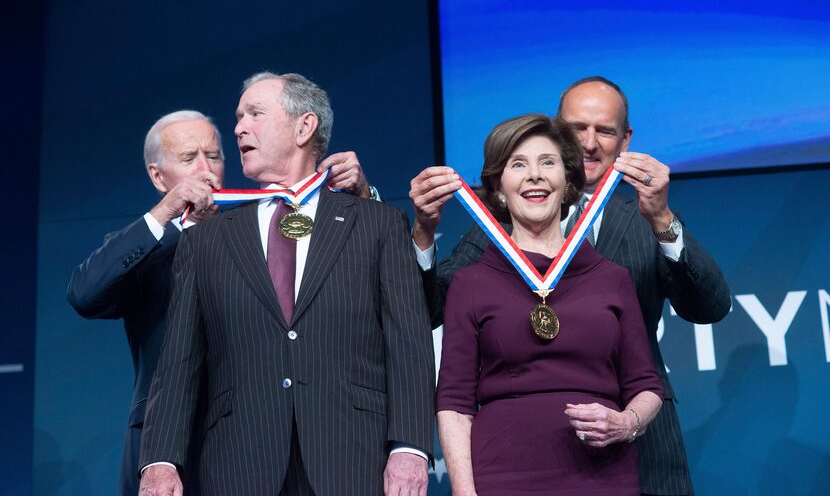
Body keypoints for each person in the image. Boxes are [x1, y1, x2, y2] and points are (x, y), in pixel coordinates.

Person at [411, 77, 732, 495]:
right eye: (578, 128)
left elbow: (710, 306)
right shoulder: (496, 233)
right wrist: (421, 235)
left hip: (640, 457)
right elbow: (429, 307)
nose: (590, 143)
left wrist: (663, 221)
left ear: (625, 139)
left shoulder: (643, 221)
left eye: (605, 131)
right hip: (513, 465)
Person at [138, 72, 435, 496]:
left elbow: (409, 346)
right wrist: (160, 461)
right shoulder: (206, 239)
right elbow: (178, 364)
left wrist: (409, 448)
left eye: (255, 113)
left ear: (304, 126)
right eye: (238, 117)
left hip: (353, 460)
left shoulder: (377, 223)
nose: (239, 127)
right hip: (239, 463)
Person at [66, 110, 374, 495]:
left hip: (254, 444)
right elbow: (84, 294)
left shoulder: (263, 229)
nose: (204, 168)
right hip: (166, 453)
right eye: (187, 159)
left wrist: (363, 196)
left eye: (213, 156)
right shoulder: (146, 248)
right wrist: (166, 213)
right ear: (158, 177)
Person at [436, 114, 664, 494]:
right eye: (518, 164)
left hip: (604, 477)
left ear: (569, 180)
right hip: (503, 478)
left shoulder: (613, 279)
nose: (535, 175)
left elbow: (646, 385)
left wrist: (627, 423)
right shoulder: (470, 283)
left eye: (548, 162)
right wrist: (464, 491)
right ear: (497, 186)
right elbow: (455, 404)